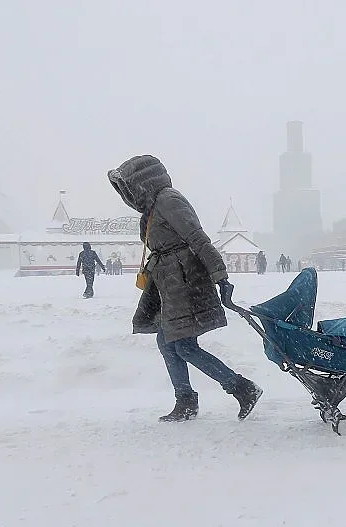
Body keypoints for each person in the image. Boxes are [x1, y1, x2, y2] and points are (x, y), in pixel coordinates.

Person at [108, 155, 263, 422]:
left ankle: (241, 388)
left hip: (186, 281)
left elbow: (198, 238)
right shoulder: (154, 208)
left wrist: (220, 276)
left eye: (131, 187)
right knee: (167, 341)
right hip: (170, 285)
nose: (129, 195)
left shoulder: (169, 200)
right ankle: (186, 401)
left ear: (144, 182)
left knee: (182, 345)